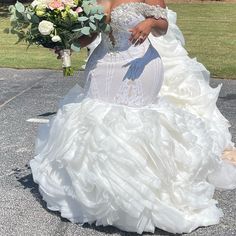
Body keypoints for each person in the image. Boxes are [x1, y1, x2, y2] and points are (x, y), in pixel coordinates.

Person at [29, 0, 236, 234]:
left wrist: (148, 22)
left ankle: (141, 195)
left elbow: (163, 25)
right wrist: (65, 41)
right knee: (95, 118)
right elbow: (90, 36)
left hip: (141, 63)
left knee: (136, 121)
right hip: (103, 63)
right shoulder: (94, 1)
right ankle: (97, 190)